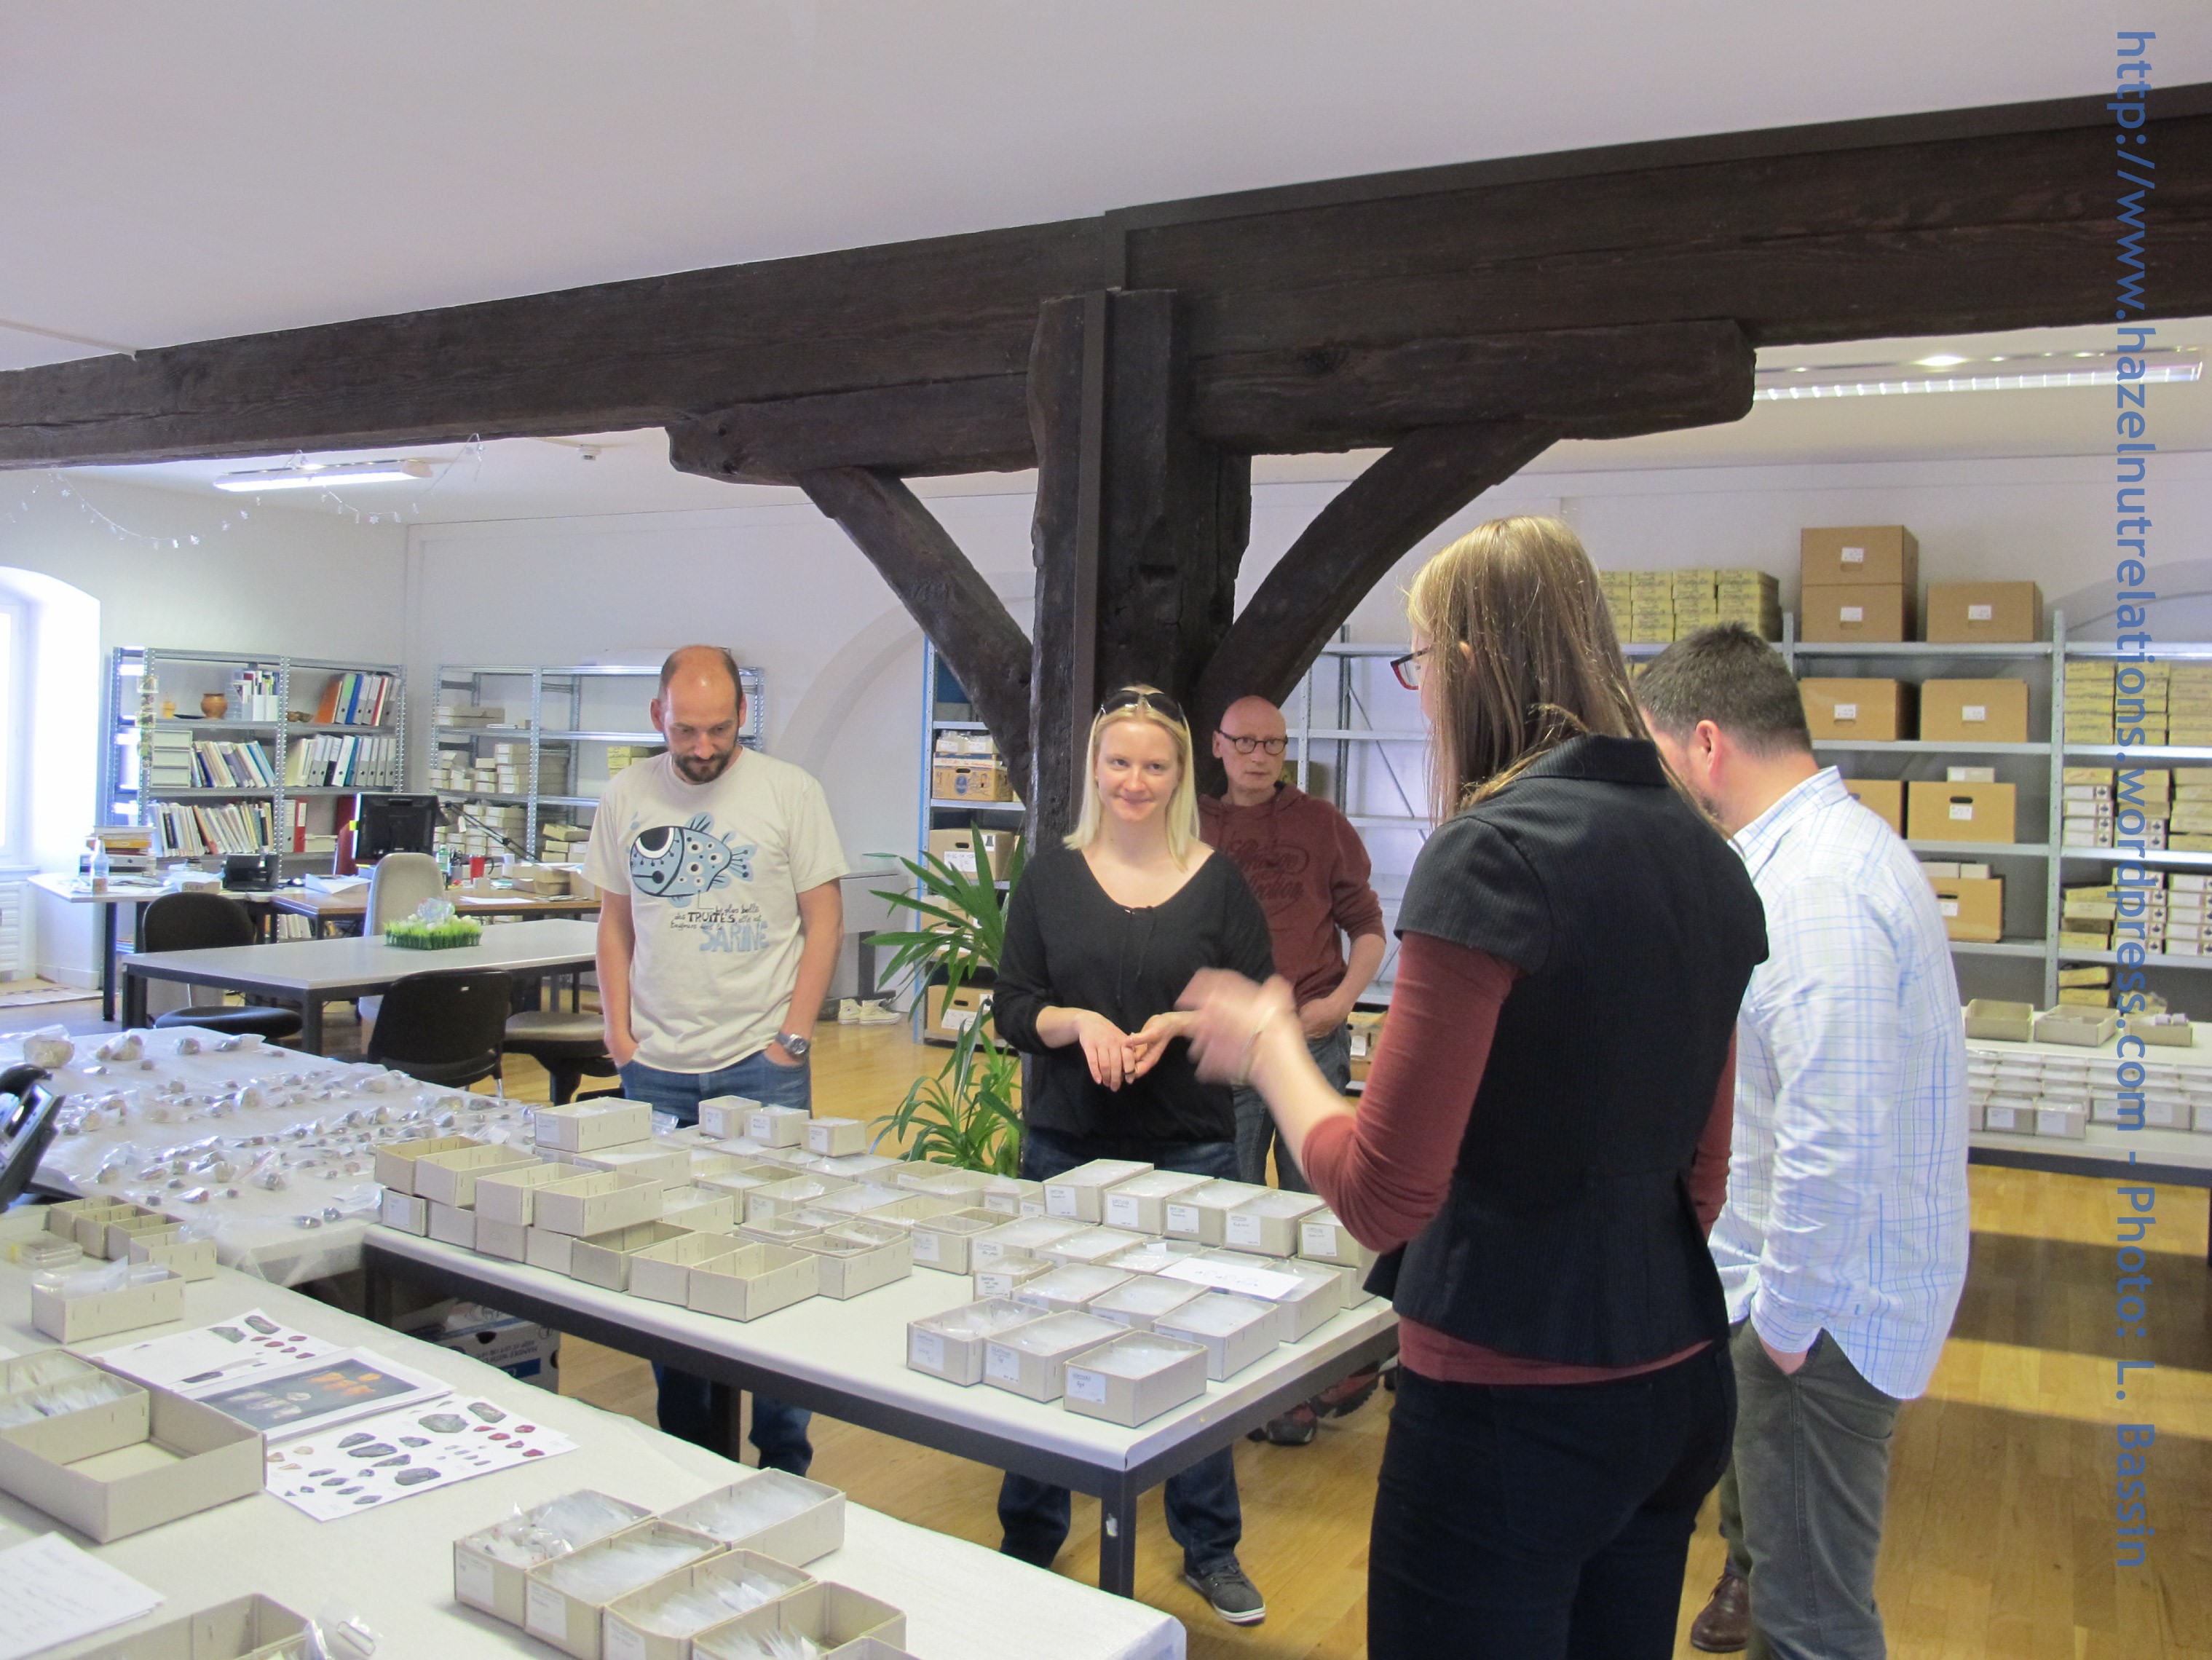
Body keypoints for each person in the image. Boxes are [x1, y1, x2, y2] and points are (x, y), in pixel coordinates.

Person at [1177, 515, 1768, 1659]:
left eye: (1422, 664)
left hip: (1512, 1409)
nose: (1420, 697)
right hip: (1675, 1389)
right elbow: (1703, 1180)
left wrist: (1269, 1044)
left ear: (1473, 663)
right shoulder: (1707, 852)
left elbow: (1383, 1195)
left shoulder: (1489, 851)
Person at [1636, 625, 1969, 1660]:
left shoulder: (1813, 886)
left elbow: (1837, 1133)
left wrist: (1782, 1322)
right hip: (1820, 1301)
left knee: (1811, 1620)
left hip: (1820, 1319)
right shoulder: (1821, 853)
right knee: (1800, 1592)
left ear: (1703, 744)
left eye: (1655, 756)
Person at [990, 685, 1276, 1627]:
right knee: (1043, 1341)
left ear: (1181, 775)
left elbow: (1254, 1003)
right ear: (1094, 771)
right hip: (1063, 1149)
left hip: (1191, 1151)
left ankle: (1211, 1549)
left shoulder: (1218, 882)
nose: (1135, 781)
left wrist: (1177, 1023)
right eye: (1119, 762)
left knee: (1193, 1351)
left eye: (1155, 765)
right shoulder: (1049, 877)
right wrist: (1072, 1021)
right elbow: (1012, 1006)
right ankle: (1029, 1534)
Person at [584, 644, 848, 1471]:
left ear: (744, 717)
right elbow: (615, 920)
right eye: (687, 730)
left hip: (760, 1062)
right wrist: (619, 1032)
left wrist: (793, 1035)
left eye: (720, 729)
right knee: (666, 1256)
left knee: (772, 1254)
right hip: (656, 1064)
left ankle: (782, 1457)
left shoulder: (788, 793)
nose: (702, 747)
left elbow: (824, 917)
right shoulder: (625, 795)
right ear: (657, 715)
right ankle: (690, 1452)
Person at [1201, 693, 1387, 1446]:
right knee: (1235, 1207)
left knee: (1317, 1203)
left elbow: (1367, 929)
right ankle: (1255, 1379)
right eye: (1243, 741)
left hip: (1311, 1035)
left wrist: (1342, 1001)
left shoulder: (1321, 825)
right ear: (1216, 746)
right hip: (1228, 1049)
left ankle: (1324, 1367)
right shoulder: (1194, 826)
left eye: (1272, 743)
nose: (1257, 755)